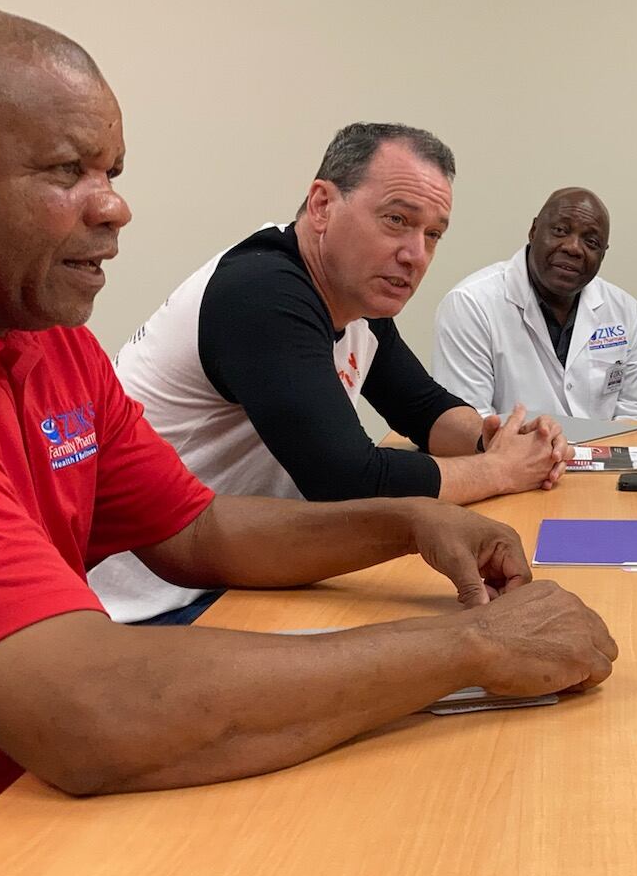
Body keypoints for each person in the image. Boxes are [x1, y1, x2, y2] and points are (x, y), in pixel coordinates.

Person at [0, 0, 616, 876]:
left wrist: (408, 526)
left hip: (31, 796)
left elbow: (198, 532)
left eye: (115, 172)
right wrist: (471, 644)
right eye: (66, 173)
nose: (114, 210)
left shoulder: (39, 336)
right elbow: (94, 717)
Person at [89, 124, 575, 624]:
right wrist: (499, 471)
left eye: (432, 234)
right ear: (321, 205)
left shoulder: (352, 297)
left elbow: (423, 409)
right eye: (396, 220)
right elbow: (347, 481)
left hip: (240, 568)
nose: (416, 254)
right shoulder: (263, 291)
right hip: (152, 600)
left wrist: (494, 438)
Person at [432, 187, 637, 420]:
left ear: (603, 254)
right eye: (560, 230)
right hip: (507, 455)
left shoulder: (625, 310)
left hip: (604, 454)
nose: (574, 248)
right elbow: (470, 424)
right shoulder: (471, 305)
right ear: (534, 230)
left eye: (591, 241)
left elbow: (633, 414)